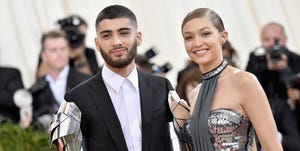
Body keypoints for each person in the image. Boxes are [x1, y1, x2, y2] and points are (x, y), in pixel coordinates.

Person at [169, 8, 283, 150]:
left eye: (205, 34)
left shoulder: (244, 82)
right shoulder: (194, 94)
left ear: (223, 36)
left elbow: (273, 148)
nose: (197, 43)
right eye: (189, 37)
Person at [63, 5, 173, 151]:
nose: (116, 42)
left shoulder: (162, 86)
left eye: (124, 33)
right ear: (97, 43)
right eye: (107, 35)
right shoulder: (77, 98)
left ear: (138, 37)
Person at [25, 30, 90, 130]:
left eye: (63, 49)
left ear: (68, 51)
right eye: (53, 50)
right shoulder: (35, 90)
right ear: (43, 56)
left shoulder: (85, 81)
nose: (59, 54)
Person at [246, 22, 300, 100]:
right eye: (267, 40)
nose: (272, 43)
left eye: (276, 40)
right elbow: (248, 85)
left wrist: (284, 69)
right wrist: (265, 67)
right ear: (261, 41)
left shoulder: (296, 59)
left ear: (285, 39)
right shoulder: (255, 58)